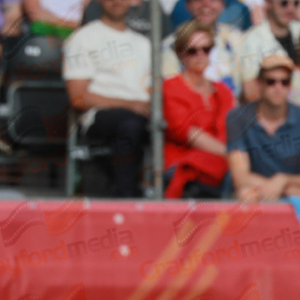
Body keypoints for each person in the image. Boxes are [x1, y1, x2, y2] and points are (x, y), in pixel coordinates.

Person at [63, 0, 151, 198]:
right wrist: (130, 105)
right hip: (100, 116)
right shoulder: (83, 38)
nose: (117, 1)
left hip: (143, 114)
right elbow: (78, 97)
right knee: (130, 124)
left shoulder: (144, 44)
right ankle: (127, 198)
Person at [226, 54, 300, 200]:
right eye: (271, 82)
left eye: (285, 82)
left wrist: (282, 179)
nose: (278, 88)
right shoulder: (237, 117)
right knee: (246, 194)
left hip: (293, 193)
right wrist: (280, 188)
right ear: (260, 84)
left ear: (290, 85)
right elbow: (240, 178)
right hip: (260, 191)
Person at [163, 20, 235, 199]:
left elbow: (231, 130)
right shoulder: (170, 88)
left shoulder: (223, 91)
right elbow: (188, 133)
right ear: (181, 54)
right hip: (184, 162)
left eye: (206, 49)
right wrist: (232, 155)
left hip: (221, 160)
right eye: (192, 51)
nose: (201, 55)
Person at [161, 0, 244, 96]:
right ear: (188, 5)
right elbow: (171, 92)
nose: (206, 4)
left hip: (233, 108)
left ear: (222, 5)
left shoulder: (237, 39)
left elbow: (249, 89)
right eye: (199, 0)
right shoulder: (170, 45)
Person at [239, 0, 300, 102]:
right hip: (274, 110)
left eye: (296, 3)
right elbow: (251, 93)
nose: (291, 9)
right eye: (284, 3)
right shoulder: (251, 40)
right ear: (268, 3)